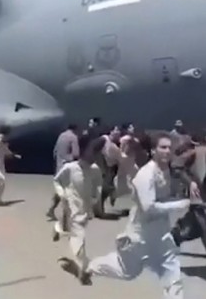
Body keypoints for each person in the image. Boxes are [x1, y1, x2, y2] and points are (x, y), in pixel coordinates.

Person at [87, 132, 190, 299]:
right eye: (163, 147)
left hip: (161, 237)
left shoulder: (165, 171)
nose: (167, 151)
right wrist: (179, 204)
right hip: (139, 237)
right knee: (127, 272)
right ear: (153, 150)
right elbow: (149, 208)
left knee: (173, 276)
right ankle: (90, 267)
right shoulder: (146, 174)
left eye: (170, 148)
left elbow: (162, 199)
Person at [53, 135, 104, 285]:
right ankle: (83, 271)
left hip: (85, 210)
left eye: (98, 151)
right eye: (93, 150)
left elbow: (98, 185)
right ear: (83, 151)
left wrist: (96, 199)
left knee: (73, 232)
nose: (96, 154)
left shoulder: (95, 170)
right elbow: (57, 180)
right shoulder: (70, 168)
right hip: (71, 207)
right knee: (78, 237)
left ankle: (57, 228)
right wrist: (62, 195)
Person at [47, 124, 80, 220]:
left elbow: (55, 152)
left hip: (59, 166)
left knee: (60, 189)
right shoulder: (73, 137)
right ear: (76, 129)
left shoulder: (61, 135)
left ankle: (51, 209)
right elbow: (76, 154)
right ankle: (66, 215)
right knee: (69, 191)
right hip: (68, 167)